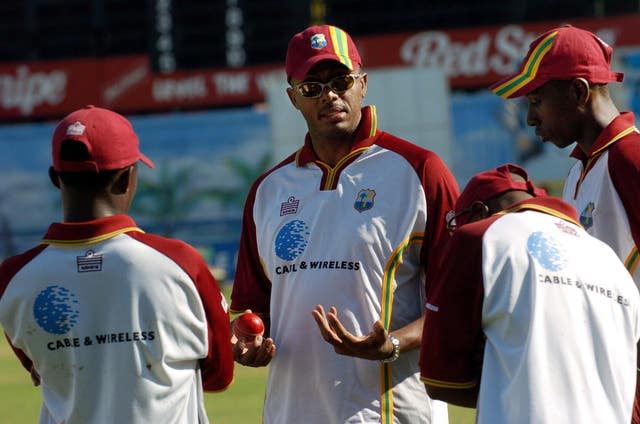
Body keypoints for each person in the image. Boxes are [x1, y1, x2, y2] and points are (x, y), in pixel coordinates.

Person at [230, 24, 459, 423]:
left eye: (340, 80)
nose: (330, 95)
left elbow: (458, 300)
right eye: (312, 87)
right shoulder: (268, 190)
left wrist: (391, 343)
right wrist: (249, 341)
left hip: (391, 412)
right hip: (291, 413)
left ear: (363, 84)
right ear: (292, 98)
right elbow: (254, 310)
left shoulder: (420, 171)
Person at [0, 105, 234, 424]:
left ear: (56, 178)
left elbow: (43, 370)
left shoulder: (12, 278)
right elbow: (218, 376)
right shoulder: (181, 263)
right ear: (127, 179)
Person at [490, 24, 640, 422]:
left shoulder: (631, 157)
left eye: (536, 100)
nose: (530, 118)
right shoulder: (578, 172)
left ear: (577, 91)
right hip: (601, 376)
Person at [420, 163, 640, 423]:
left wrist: (502, 363)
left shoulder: (478, 236)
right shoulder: (609, 259)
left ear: (479, 211)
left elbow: (440, 380)